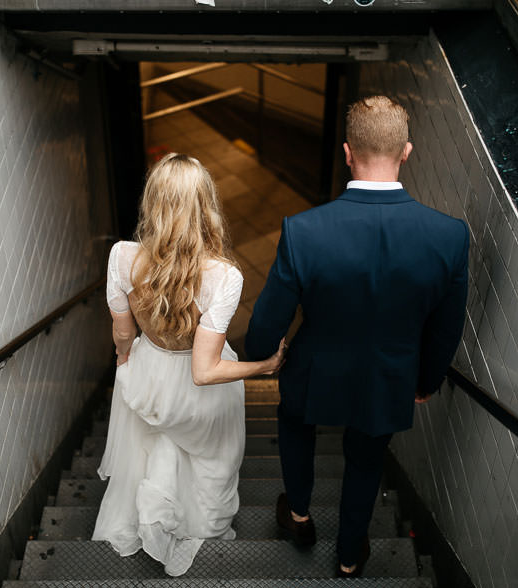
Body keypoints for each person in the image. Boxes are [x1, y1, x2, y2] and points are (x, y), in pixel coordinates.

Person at [245, 96, 470, 577]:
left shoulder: (304, 231)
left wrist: (261, 353)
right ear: (406, 152)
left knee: (295, 423)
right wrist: (424, 381)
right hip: (387, 376)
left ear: (347, 152)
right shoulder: (449, 237)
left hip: (313, 369)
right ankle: (349, 557)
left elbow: (268, 322)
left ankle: (300, 516)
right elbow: (447, 326)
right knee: (366, 461)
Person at [94, 153, 286, 576]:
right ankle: (200, 522)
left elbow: (124, 334)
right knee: (211, 458)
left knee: (159, 444)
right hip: (199, 396)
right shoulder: (223, 276)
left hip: (150, 374)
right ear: (206, 206)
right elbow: (205, 371)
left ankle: (156, 513)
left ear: (153, 202)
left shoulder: (122, 257)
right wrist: (264, 367)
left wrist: (126, 364)